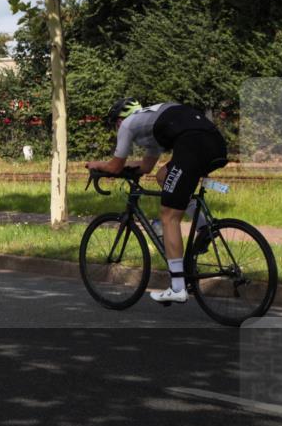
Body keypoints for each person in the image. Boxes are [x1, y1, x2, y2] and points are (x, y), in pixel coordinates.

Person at [86, 98, 228, 304]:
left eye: (115, 124)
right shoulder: (152, 124)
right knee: (163, 176)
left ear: (119, 120)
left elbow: (115, 166)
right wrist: (125, 169)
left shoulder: (127, 124)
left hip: (192, 144)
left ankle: (177, 287)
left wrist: (97, 165)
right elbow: (146, 167)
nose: (117, 129)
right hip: (215, 143)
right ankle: (204, 227)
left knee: (169, 216)